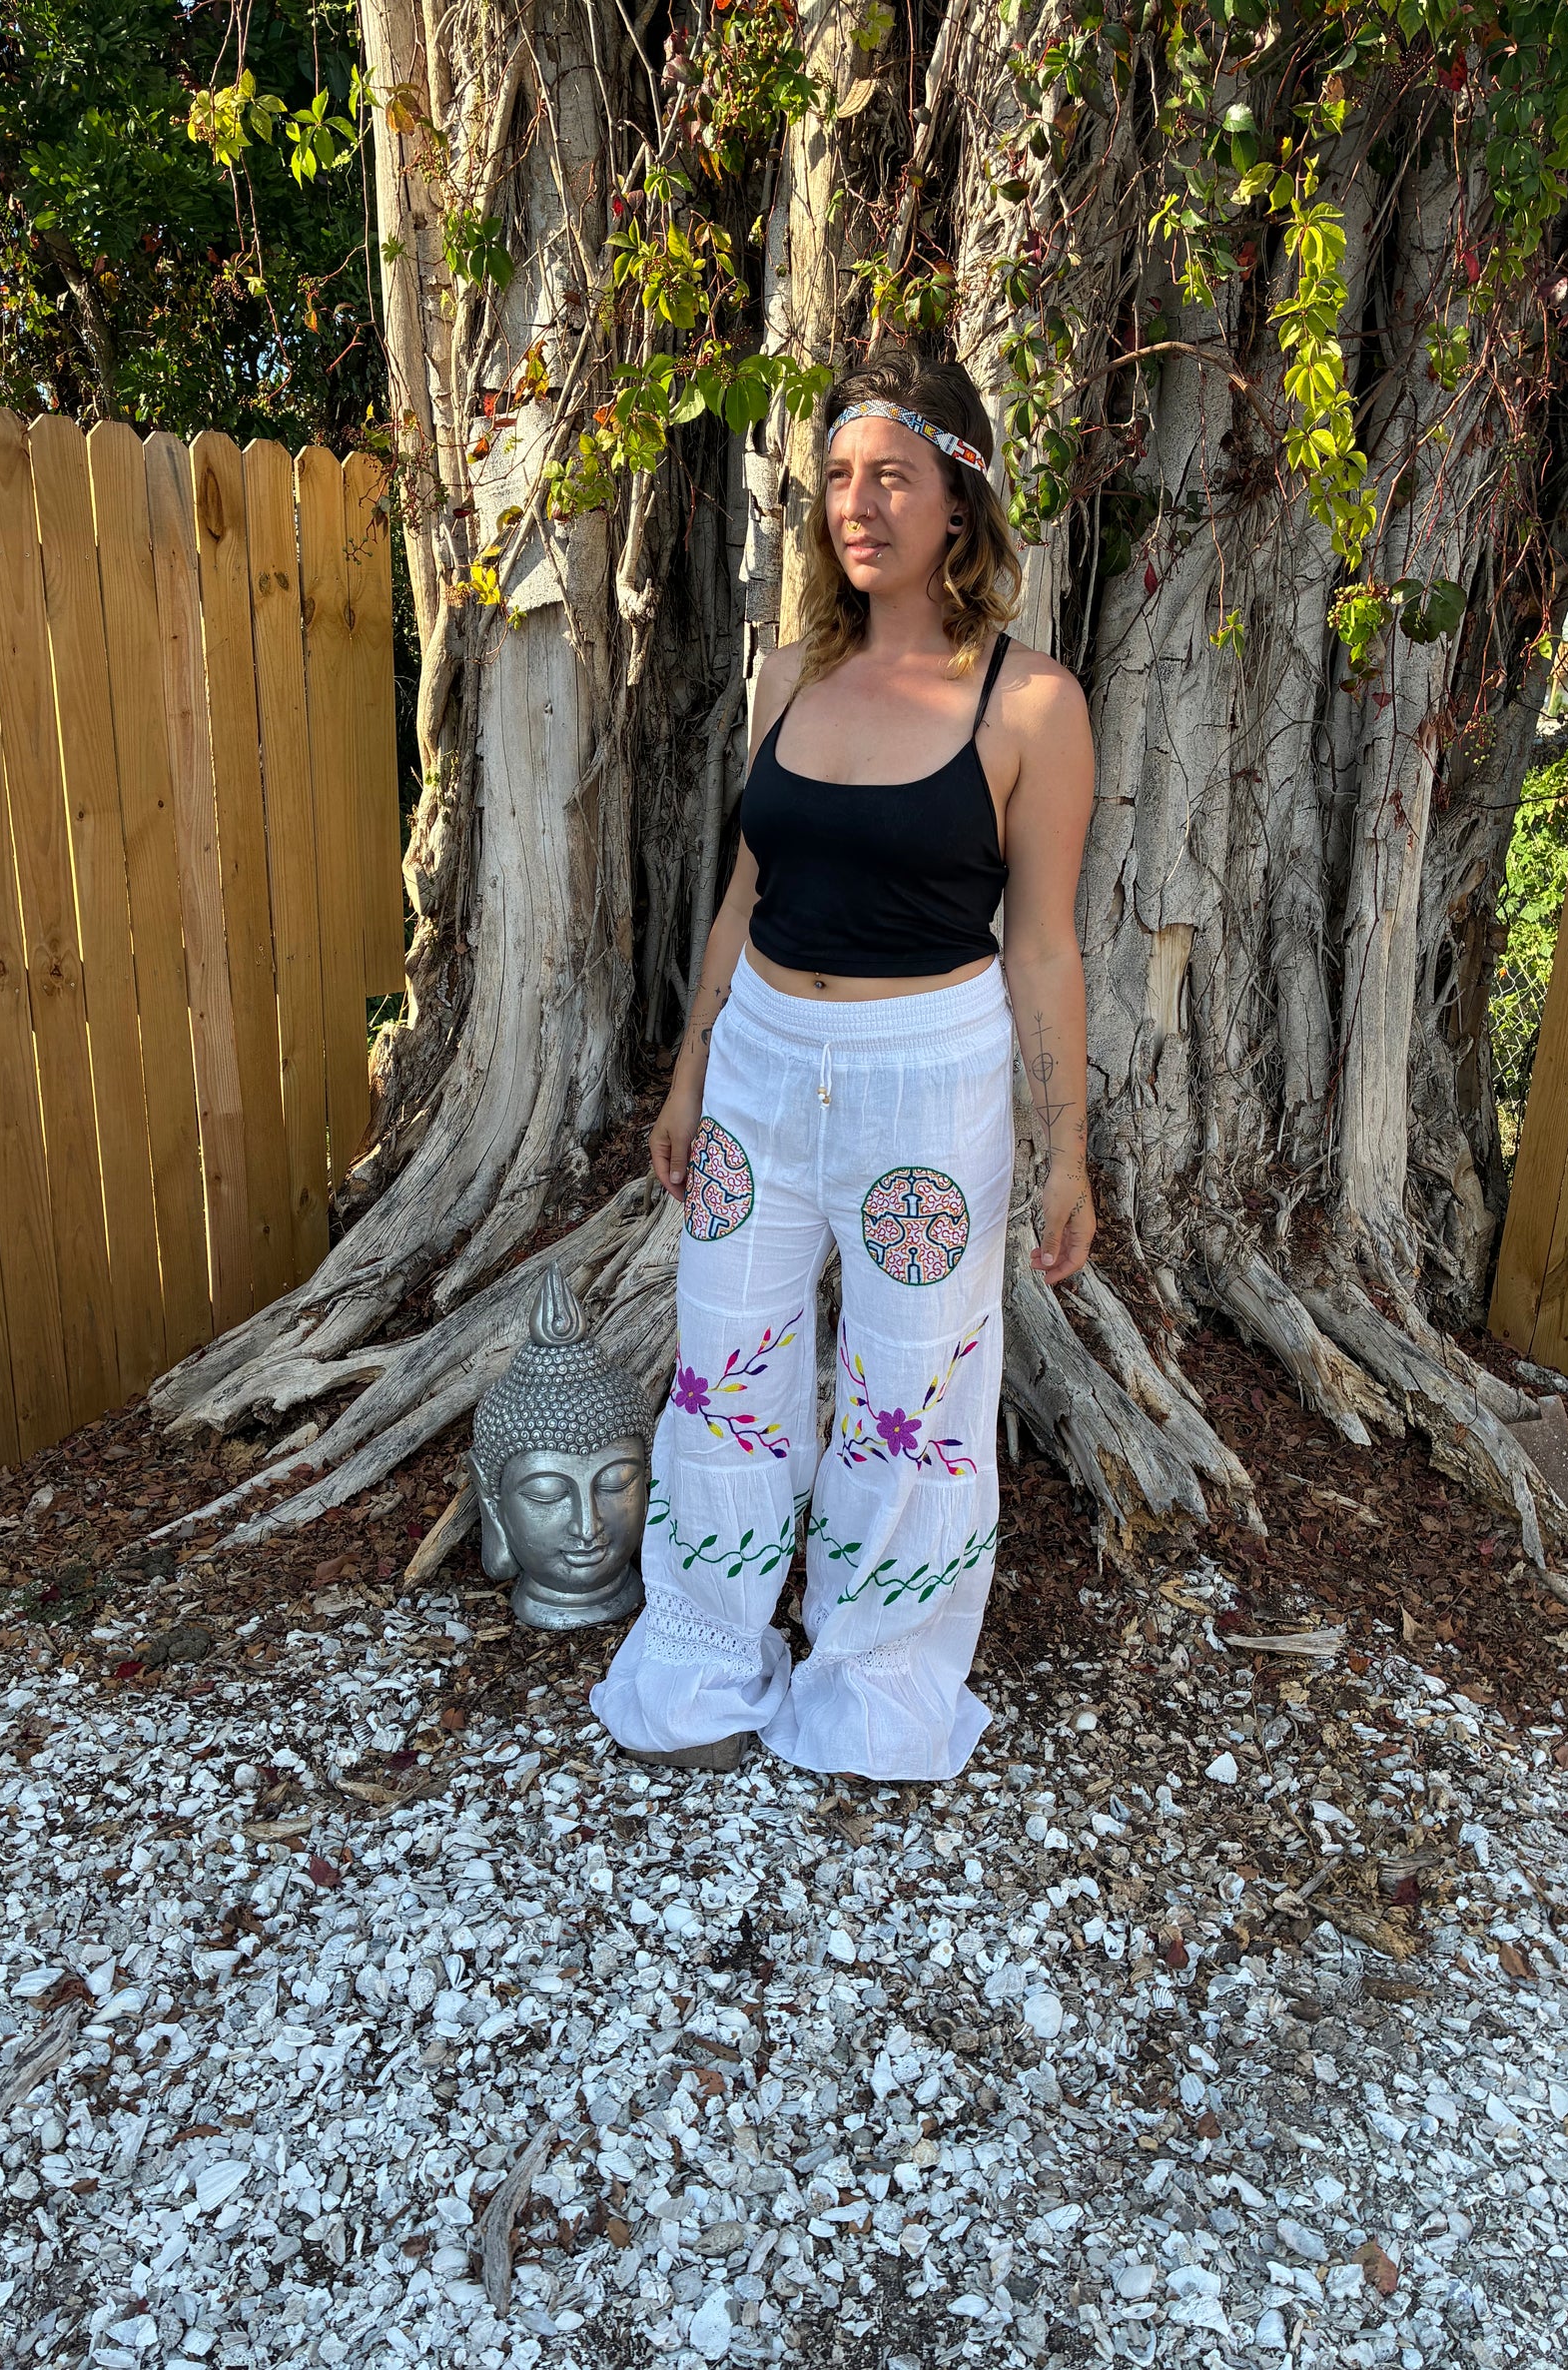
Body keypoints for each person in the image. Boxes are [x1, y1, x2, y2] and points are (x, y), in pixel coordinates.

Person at [589, 351, 1096, 1782]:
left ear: (960, 501)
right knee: (725, 1366)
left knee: (910, 1391)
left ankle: (875, 1690)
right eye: (837, 478)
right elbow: (745, 892)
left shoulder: (1031, 704)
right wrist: (690, 1070)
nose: (858, 505)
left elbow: (1044, 947)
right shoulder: (794, 675)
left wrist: (1067, 1151)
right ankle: (702, 1655)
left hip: (926, 1079)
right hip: (760, 1058)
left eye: (893, 477)